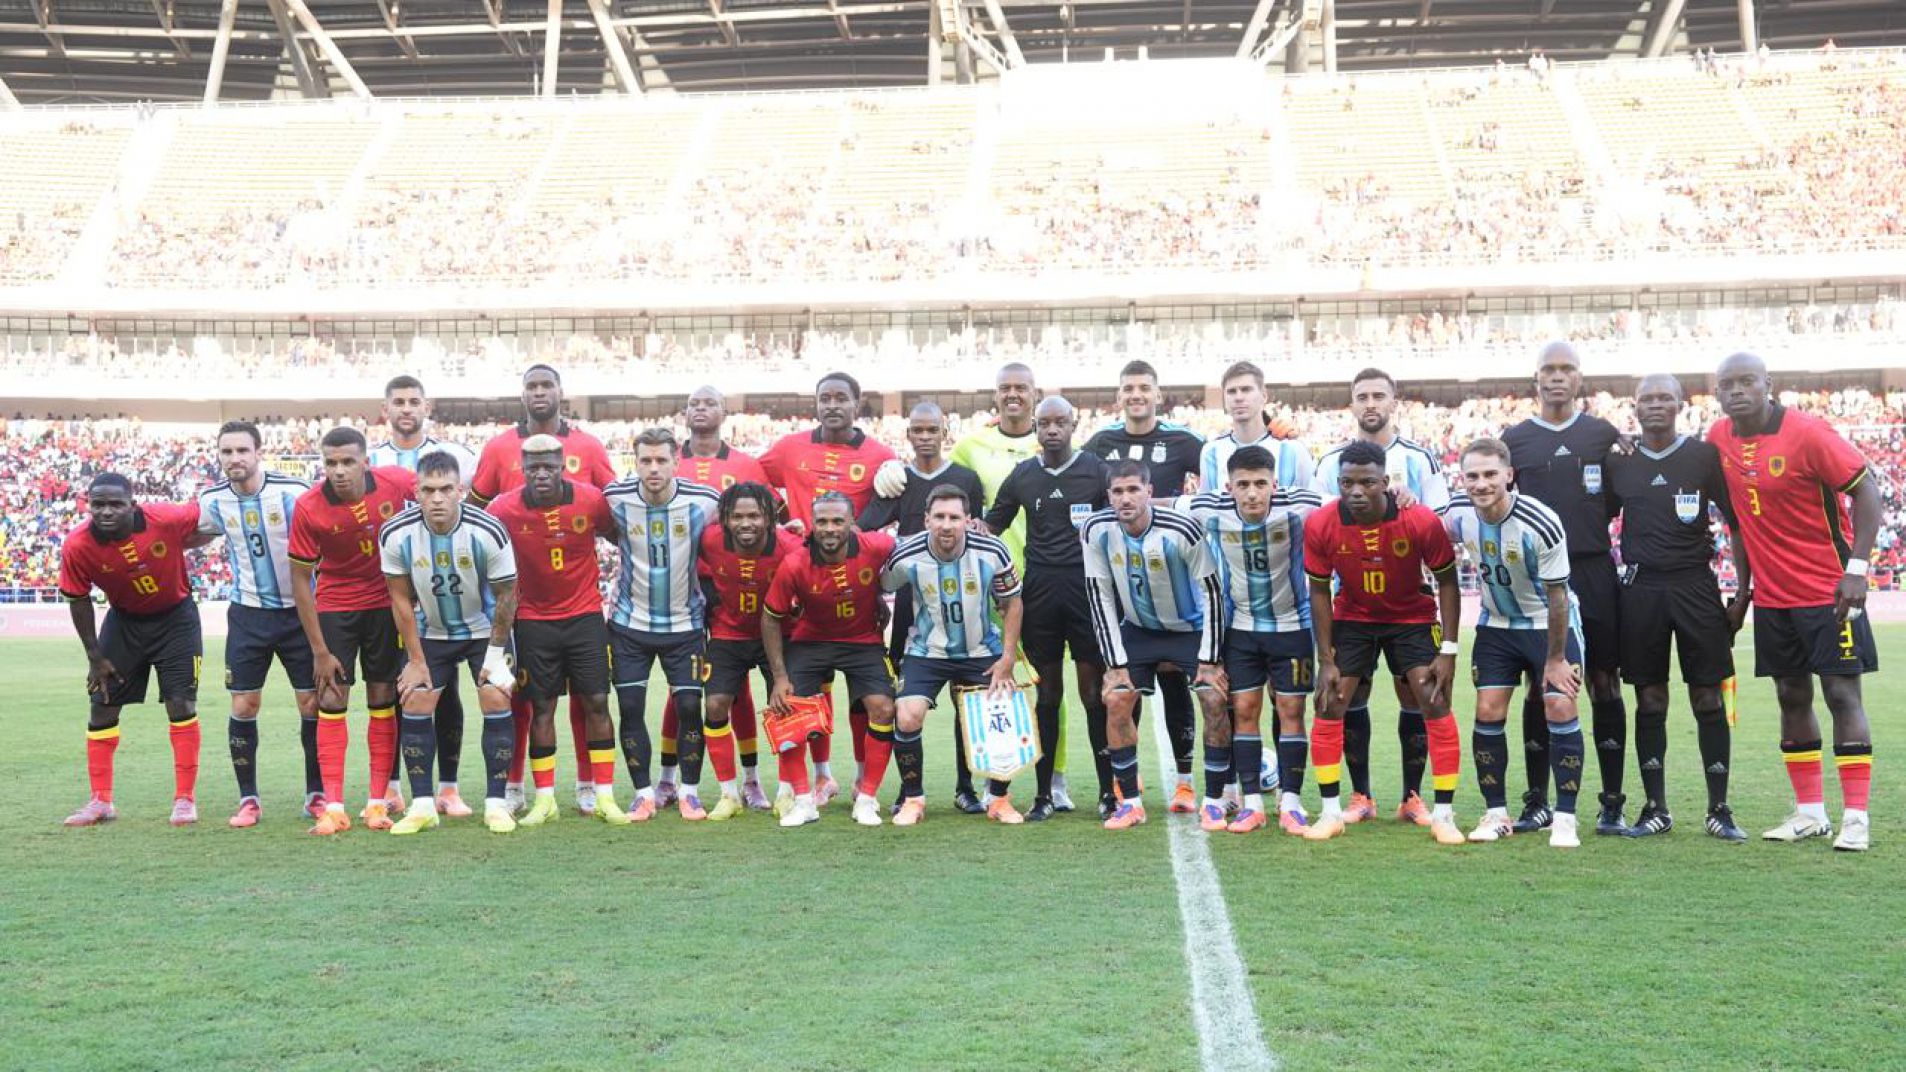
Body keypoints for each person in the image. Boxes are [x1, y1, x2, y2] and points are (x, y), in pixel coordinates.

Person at [1710, 352, 1879, 852]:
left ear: (1769, 385)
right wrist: (1743, 593)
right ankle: (1810, 813)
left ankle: (1856, 819)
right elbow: (1738, 522)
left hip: (1830, 592)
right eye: (1727, 384)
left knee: (1842, 696)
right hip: (1775, 600)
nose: (1737, 391)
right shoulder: (1718, 438)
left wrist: (1858, 569)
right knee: (1791, 697)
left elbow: (1867, 492)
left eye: (1747, 381)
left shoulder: (1809, 433)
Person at [469, 364, 618, 815]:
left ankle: (595, 789)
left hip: (585, 614)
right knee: (534, 704)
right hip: (530, 618)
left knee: (592, 700)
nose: (540, 473)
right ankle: (529, 792)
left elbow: (618, 526)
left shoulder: (589, 469)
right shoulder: (501, 485)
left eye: (546, 385)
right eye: (531, 385)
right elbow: (475, 524)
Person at [1301, 440, 1465, 845]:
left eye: (1367, 482)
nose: (1356, 491)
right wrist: (1326, 658)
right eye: (1347, 483)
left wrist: (1449, 648)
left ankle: (1439, 812)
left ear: (1385, 482)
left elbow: (1447, 581)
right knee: (1330, 700)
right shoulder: (1321, 523)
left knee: (1433, 699)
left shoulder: (1421, 520)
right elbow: (1319, 591)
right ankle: (1333, 811)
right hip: (1353, 619)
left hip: (1412, 618)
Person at [1605, 374, 1747, 840]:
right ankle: (1656, 808)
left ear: (1682, 405)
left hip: (1696, 588)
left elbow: (1737, 526)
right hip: (1641, 590)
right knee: (1650, 698)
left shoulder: (1704, 457)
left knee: (1708, 696)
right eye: (1647, 398)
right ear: (1635, 406)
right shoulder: (1619, 461)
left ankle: (1719, 809)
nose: (1656, 405)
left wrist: (1743, 594)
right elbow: (1592, 520)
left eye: (1665, 397)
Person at [1500, 342, 1630, 835]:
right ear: (1536, 379)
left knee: (1602, 682)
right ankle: (1537, 800)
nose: (1557, 377)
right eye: (1548, 370)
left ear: (1580, 379)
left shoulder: (1604, 435)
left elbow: (1615, 504)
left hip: (1593, 572)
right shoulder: (1516, 439)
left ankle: (1612, 803)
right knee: (1541, 686)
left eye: (1566, 369)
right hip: (1535, 581)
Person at [1443, 439, 1590, 848]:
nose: (1481, 483)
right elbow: (1423, 524)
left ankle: (1564, 817)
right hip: (1497, 625)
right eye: (1472, 475)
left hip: (1549, 624)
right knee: (1487, 709)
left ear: (1509, 475)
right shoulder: (1458, 515)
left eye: (1490, 474)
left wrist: (1557, 659)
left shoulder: (1538, 521)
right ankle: (1495, 814)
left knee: (1559, 705)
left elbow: (1559, 596)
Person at [758, 373, 897, 802]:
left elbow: (893, 501)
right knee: (808, 691)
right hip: (801, 579)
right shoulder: (790, 447)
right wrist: (782, 519)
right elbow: (755, 480)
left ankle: (860, 780)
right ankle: (818, 776)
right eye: (825, 398)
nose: (832, 405)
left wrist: (861, 533)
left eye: (841, 398)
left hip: (852, 586)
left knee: (863, 698)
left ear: (858, 404)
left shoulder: (880, 455)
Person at [950, 364, 1079, 811]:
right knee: (991, 683)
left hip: (1049, 585)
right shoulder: (970, 446)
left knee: (1049, 684)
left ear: (1035, 394)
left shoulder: (1059, 443)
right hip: (991, 588)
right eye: (1004, 388)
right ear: (995, 395)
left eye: (1020, 388)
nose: (1012, 395)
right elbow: (950, 500)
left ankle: (1056, 780)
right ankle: (992, 778)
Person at [1182, 445, 1324, 835]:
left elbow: (1349, 500)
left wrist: (1401, 496)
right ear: (1228, 487)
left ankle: (1292, 803)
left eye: (1260, 484)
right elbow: (1155, 503)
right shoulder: (1206, 508)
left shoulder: (1301, 505)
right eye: (1242, 484)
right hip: (1241, 629)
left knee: (1291, 712)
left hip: (1293, 627)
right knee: (1244, 710)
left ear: (1274, 484)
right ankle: (1252, 805)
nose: (1252, 493)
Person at [1081, 460, 1228, 831]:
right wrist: (1114, 663)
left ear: (1149, 492)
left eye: (1134, 490)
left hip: (1189, 629)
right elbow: (1099, 595)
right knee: (1115, 698)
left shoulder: (1181, 529)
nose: (1125, 498)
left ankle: (1213, 801)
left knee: (1213, 696)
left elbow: (1212, 592)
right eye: (1117, 491)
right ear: (1108, 495)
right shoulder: (1095, 529)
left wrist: (1210, 658)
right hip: (1140, 630)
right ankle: (1130, 802)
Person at [379, 452, 520, 836]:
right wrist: (415, 660)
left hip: (484, 631)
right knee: (416, 697)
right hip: (431, 632)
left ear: (460, 490)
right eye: (429, 490)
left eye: (446, 489)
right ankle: (423, 805)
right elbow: (399, 600)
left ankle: (496, 803)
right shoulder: (395, 533)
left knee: (495, 696)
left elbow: (507, 596)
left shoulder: (488, 530)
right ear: (416, 492)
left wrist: (496, 655)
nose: (437, 498)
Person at [1085, 360, 1206, 812]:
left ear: (1158, 394)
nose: (1136, 395)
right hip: (1123, 579)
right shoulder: (1100, 443)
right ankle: (1124, 783)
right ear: (1119, 396)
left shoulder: (1183, 440)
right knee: (1122, 687)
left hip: (1173, 582)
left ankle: (1187, 782)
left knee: (1178, 687)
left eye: (1144, 388)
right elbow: (1090, 501)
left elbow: (1219, 480)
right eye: (1128, 388)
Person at [286, 427, 418, 836]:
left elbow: (441, 495)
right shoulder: (309, 507)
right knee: (331, 696)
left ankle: (377, 804)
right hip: (337, 608)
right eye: (330, 463)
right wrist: (319, 650)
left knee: (382, 697)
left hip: (385, 606)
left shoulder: (396, 482)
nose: (339, 471)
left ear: (365, 461)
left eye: (347, 462)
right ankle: (335, 807)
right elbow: (300, 582)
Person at [984, 396, 1111, 816]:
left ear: (1074, 424)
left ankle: (1109, 793)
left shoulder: (1096, 471)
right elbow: (991, 526)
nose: (1052, 429)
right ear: (1036, 428)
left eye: (1060, 422)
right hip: (1039, 595)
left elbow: (1117, 523)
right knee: (1047, 695)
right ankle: (1043, 796)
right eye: (1045, 423)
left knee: (1094, 694)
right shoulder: (1023, 475)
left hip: (1087, 594)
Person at [58, 473, 207, 827]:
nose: (106, 512)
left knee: (181, 703)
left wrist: (189, 541)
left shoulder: (164, 518)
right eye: (98, 505)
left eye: (115, 504)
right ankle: (101, 800)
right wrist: (95, 657)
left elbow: (209, 518)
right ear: (88, 504)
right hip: (124, 624)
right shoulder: (77, 545)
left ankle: (185, 799)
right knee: (102, 707)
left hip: (177, 621)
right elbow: (78, 601)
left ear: (132, 504)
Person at [861, 402, 987, 813]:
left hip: (964, 606)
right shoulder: (896, 479)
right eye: (918, 429)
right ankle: (907, 788)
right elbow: (865, 529)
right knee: (907, 704)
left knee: (966, 703)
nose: (926, 436)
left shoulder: (965, 479)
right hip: (914, 612)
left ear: (944, 431)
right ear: (909, 433)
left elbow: (980, 536)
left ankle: (965, 786)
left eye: (933, 428)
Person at [196, 420, 318, 828]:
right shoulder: (211, 500)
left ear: (258, 452)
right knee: (244, 703)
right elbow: (187, 533)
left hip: (300, 613)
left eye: (241, 451)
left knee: (311, 703)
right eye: (226, 451)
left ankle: (316, 794)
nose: (234, 459)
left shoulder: (294, 492)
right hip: (247, 614)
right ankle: (248, 799)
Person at [659, 385, 776, 811]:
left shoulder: (746, 465)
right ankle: (668, 779)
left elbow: (770, 522)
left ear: (725, 412)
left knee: (738, 690)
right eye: (693, 403)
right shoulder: (669, 460)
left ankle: (751, 780)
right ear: (684, 413)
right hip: (680, 596)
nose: (700, 409)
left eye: (709, 402)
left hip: (730, 592)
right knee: (682, 690)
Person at [880, 486, 1025, 825]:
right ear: (927, 519)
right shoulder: (907, 555)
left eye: (955, 517)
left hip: (981, 651)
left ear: (968, 520)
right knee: (907, 714)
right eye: (940, 517)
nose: (947, 525)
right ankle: (914, 800)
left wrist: (1007, 659)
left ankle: (999, 799)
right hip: (927, 651)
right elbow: (881, 586)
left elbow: (1013, 602)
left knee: (1002, 712)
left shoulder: (993, 549)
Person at [369, 375, 479, 811]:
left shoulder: (459, 458)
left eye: (414, 401)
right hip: (391, 595)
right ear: (386, 409)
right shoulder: (371, 460)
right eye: (399, 402)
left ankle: (448, 787)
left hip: (446, 594)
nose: (407, 409)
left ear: (426, 406)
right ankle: (393, 785)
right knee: (398, 688)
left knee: (446, 692)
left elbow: (478, 519)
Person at [602, 427, 722, 821]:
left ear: (676, 462)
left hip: (685, 625)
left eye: (661, 460)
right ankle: (643, 793)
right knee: (631, 707)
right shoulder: (614, 499)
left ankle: (688, 792)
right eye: (645, 461)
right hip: (628, 625)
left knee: (690, 705)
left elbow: (746, 524)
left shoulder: (705, 501)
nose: (653, 468)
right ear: (634, 462)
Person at [760, 491, 899, 829]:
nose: (829, 528)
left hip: (862, 641)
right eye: (821, 521)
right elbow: (770, 617)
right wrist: (779, 677)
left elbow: (912, 551)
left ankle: (866, 798)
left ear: (852, 523)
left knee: (882, 707)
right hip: (811, 641)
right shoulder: (796, 563)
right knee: (789, 707)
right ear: (812, 524)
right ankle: (804, 801)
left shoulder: (878, 546)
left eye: (838, 520)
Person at [696, 481, 802, 820]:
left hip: (780, 634)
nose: (746, 523)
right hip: (729, 633)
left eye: (754, 515)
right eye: (737, 516)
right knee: (714, 704)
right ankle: (729, 794)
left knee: (787, 708)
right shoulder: (709, 540)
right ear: (724, 519)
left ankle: (788, 791)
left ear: (769, 517)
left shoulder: (789, 545)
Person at [1199, 360, 1322, 497]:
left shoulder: (1293, 449)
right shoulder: (1210, 452)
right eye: (1231, 391)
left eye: (1246, 389)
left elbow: (1313, 504)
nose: (1238, 397)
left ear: (1264, 396)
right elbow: (1206, 508)